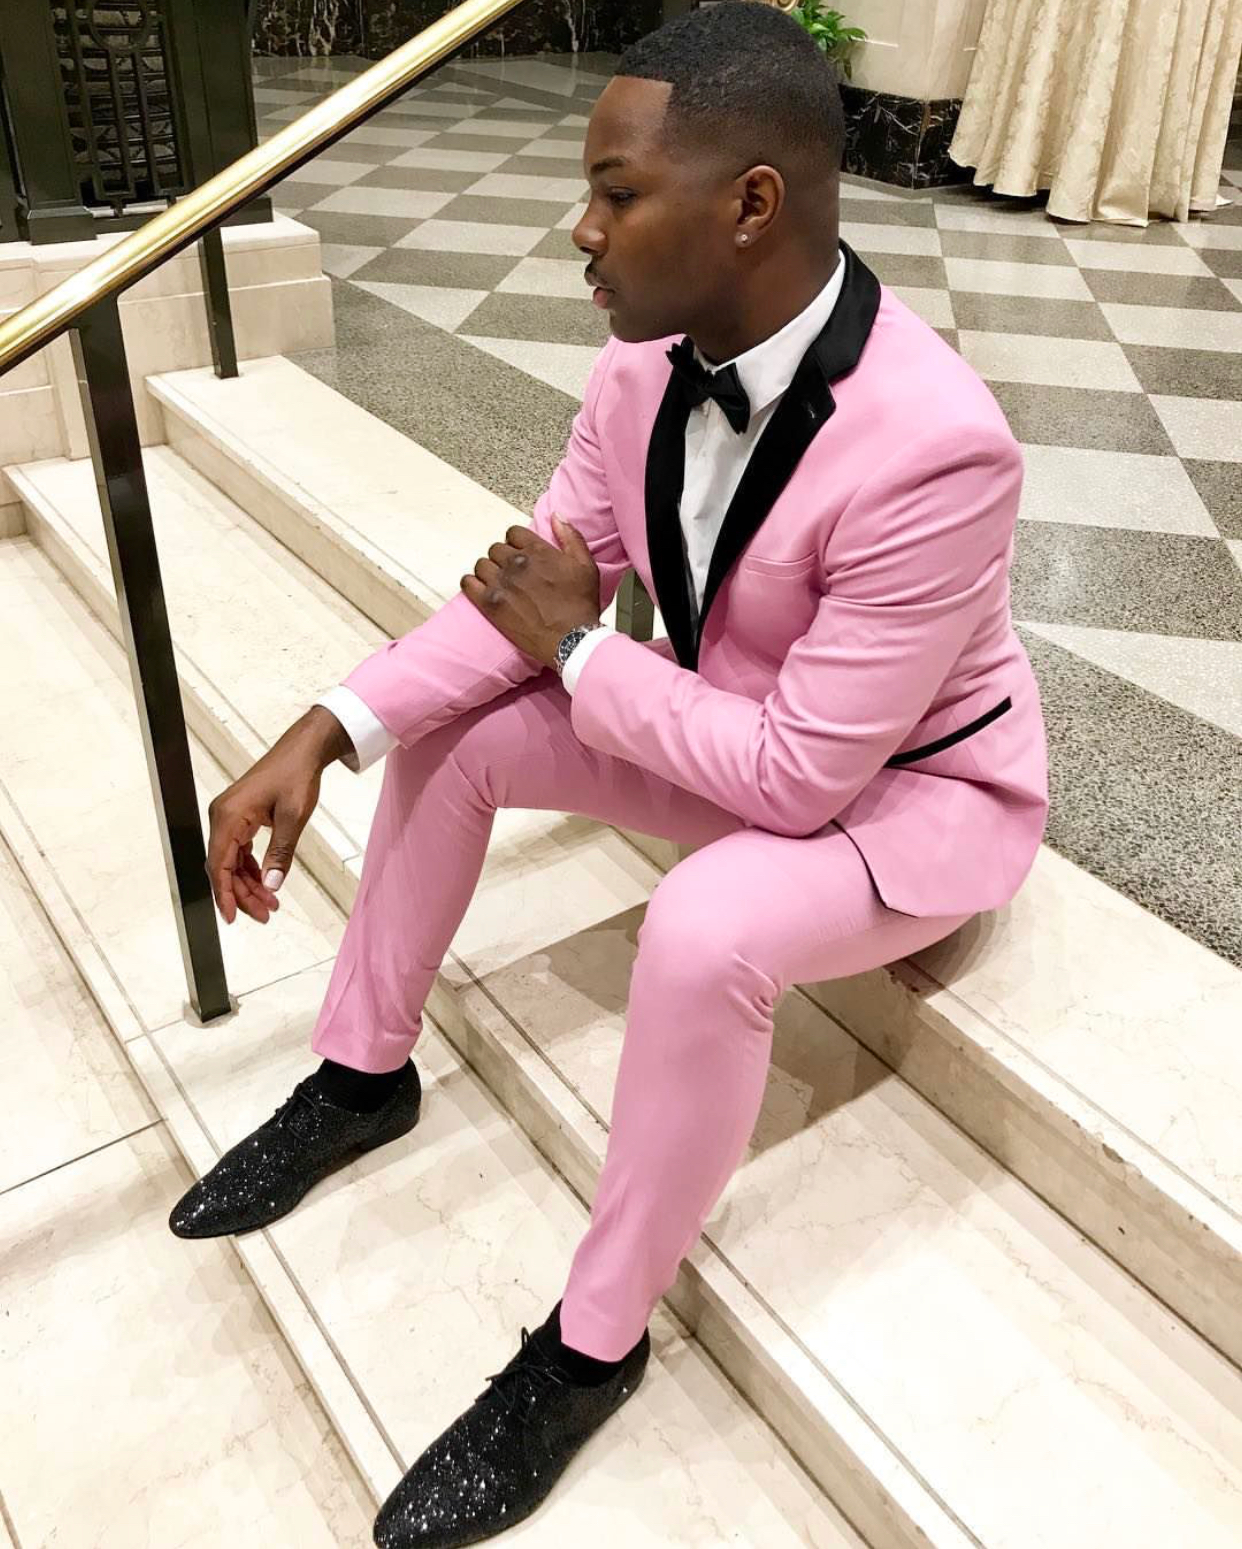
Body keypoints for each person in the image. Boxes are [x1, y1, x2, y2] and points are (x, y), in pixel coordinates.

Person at [170, 5, 1049, 1545]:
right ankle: (362, 1073)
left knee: (704, 926)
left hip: (905, 802)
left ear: (750, 204)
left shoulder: (937, 445)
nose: (582, 229)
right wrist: (324, 726)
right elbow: (526, 598)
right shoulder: (638, 368)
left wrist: (580, 651)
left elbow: (792, 778)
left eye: (616, 191)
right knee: (453, 733)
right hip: (725, 727)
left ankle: (590, 1346)